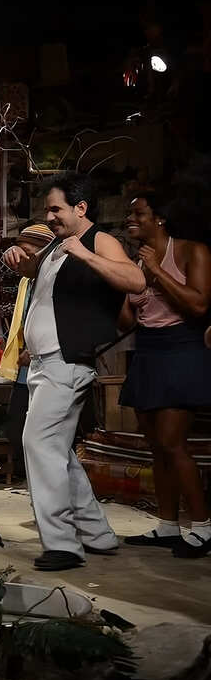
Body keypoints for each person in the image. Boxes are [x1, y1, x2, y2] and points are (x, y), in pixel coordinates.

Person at [3, 172, 145, 571]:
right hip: (45, 363)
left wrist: (84, 253)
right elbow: (38, 276)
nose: (49, 217)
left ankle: (63, 544)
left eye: (55, 209)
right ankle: (97, 533)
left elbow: (135, 280)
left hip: (67, 362)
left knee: (38, 442)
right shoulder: (56, 244)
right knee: (56, 449)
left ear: (80, 208)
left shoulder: (98, 240)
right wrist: (19, 261)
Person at [119, 191, 211, 558]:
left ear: (160, 218)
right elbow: (126, 322)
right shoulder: (137, 262)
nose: (131, 220)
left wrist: (156, 270)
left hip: (181, 349)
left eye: (139, 214)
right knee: (156, 446)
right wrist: (125, 286)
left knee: (173, 442)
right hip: (147, 351)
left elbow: (199, 304)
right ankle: (168, 525)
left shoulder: (192, 251)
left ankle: (203, 526)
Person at [0, 224, 55, 478]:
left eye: (28, 253)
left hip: (50, 361)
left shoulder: (54, 278)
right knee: (17, 425)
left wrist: (34, 349)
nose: (20, 259)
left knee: (45, 430)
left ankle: (45, 480)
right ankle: (30, 478)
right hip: (27, 364)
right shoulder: (25, 282)